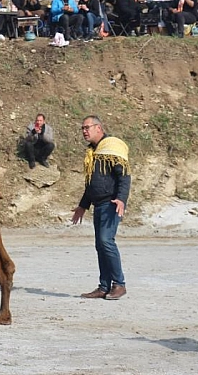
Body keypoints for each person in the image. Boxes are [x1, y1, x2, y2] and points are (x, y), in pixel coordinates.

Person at [71, 115, 131, 301]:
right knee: (100, 245)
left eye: (87, 127)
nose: (84, 131)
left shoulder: (113, 147)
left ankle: (119, 284)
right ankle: (104, 286)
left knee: (106, 241)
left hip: (111, 203)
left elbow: (125, 176)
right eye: (82, 128)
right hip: (98, 205)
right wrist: (83, 206)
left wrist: (121, 199)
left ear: (99, 128)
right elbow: (92, 184)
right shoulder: (93, 152)